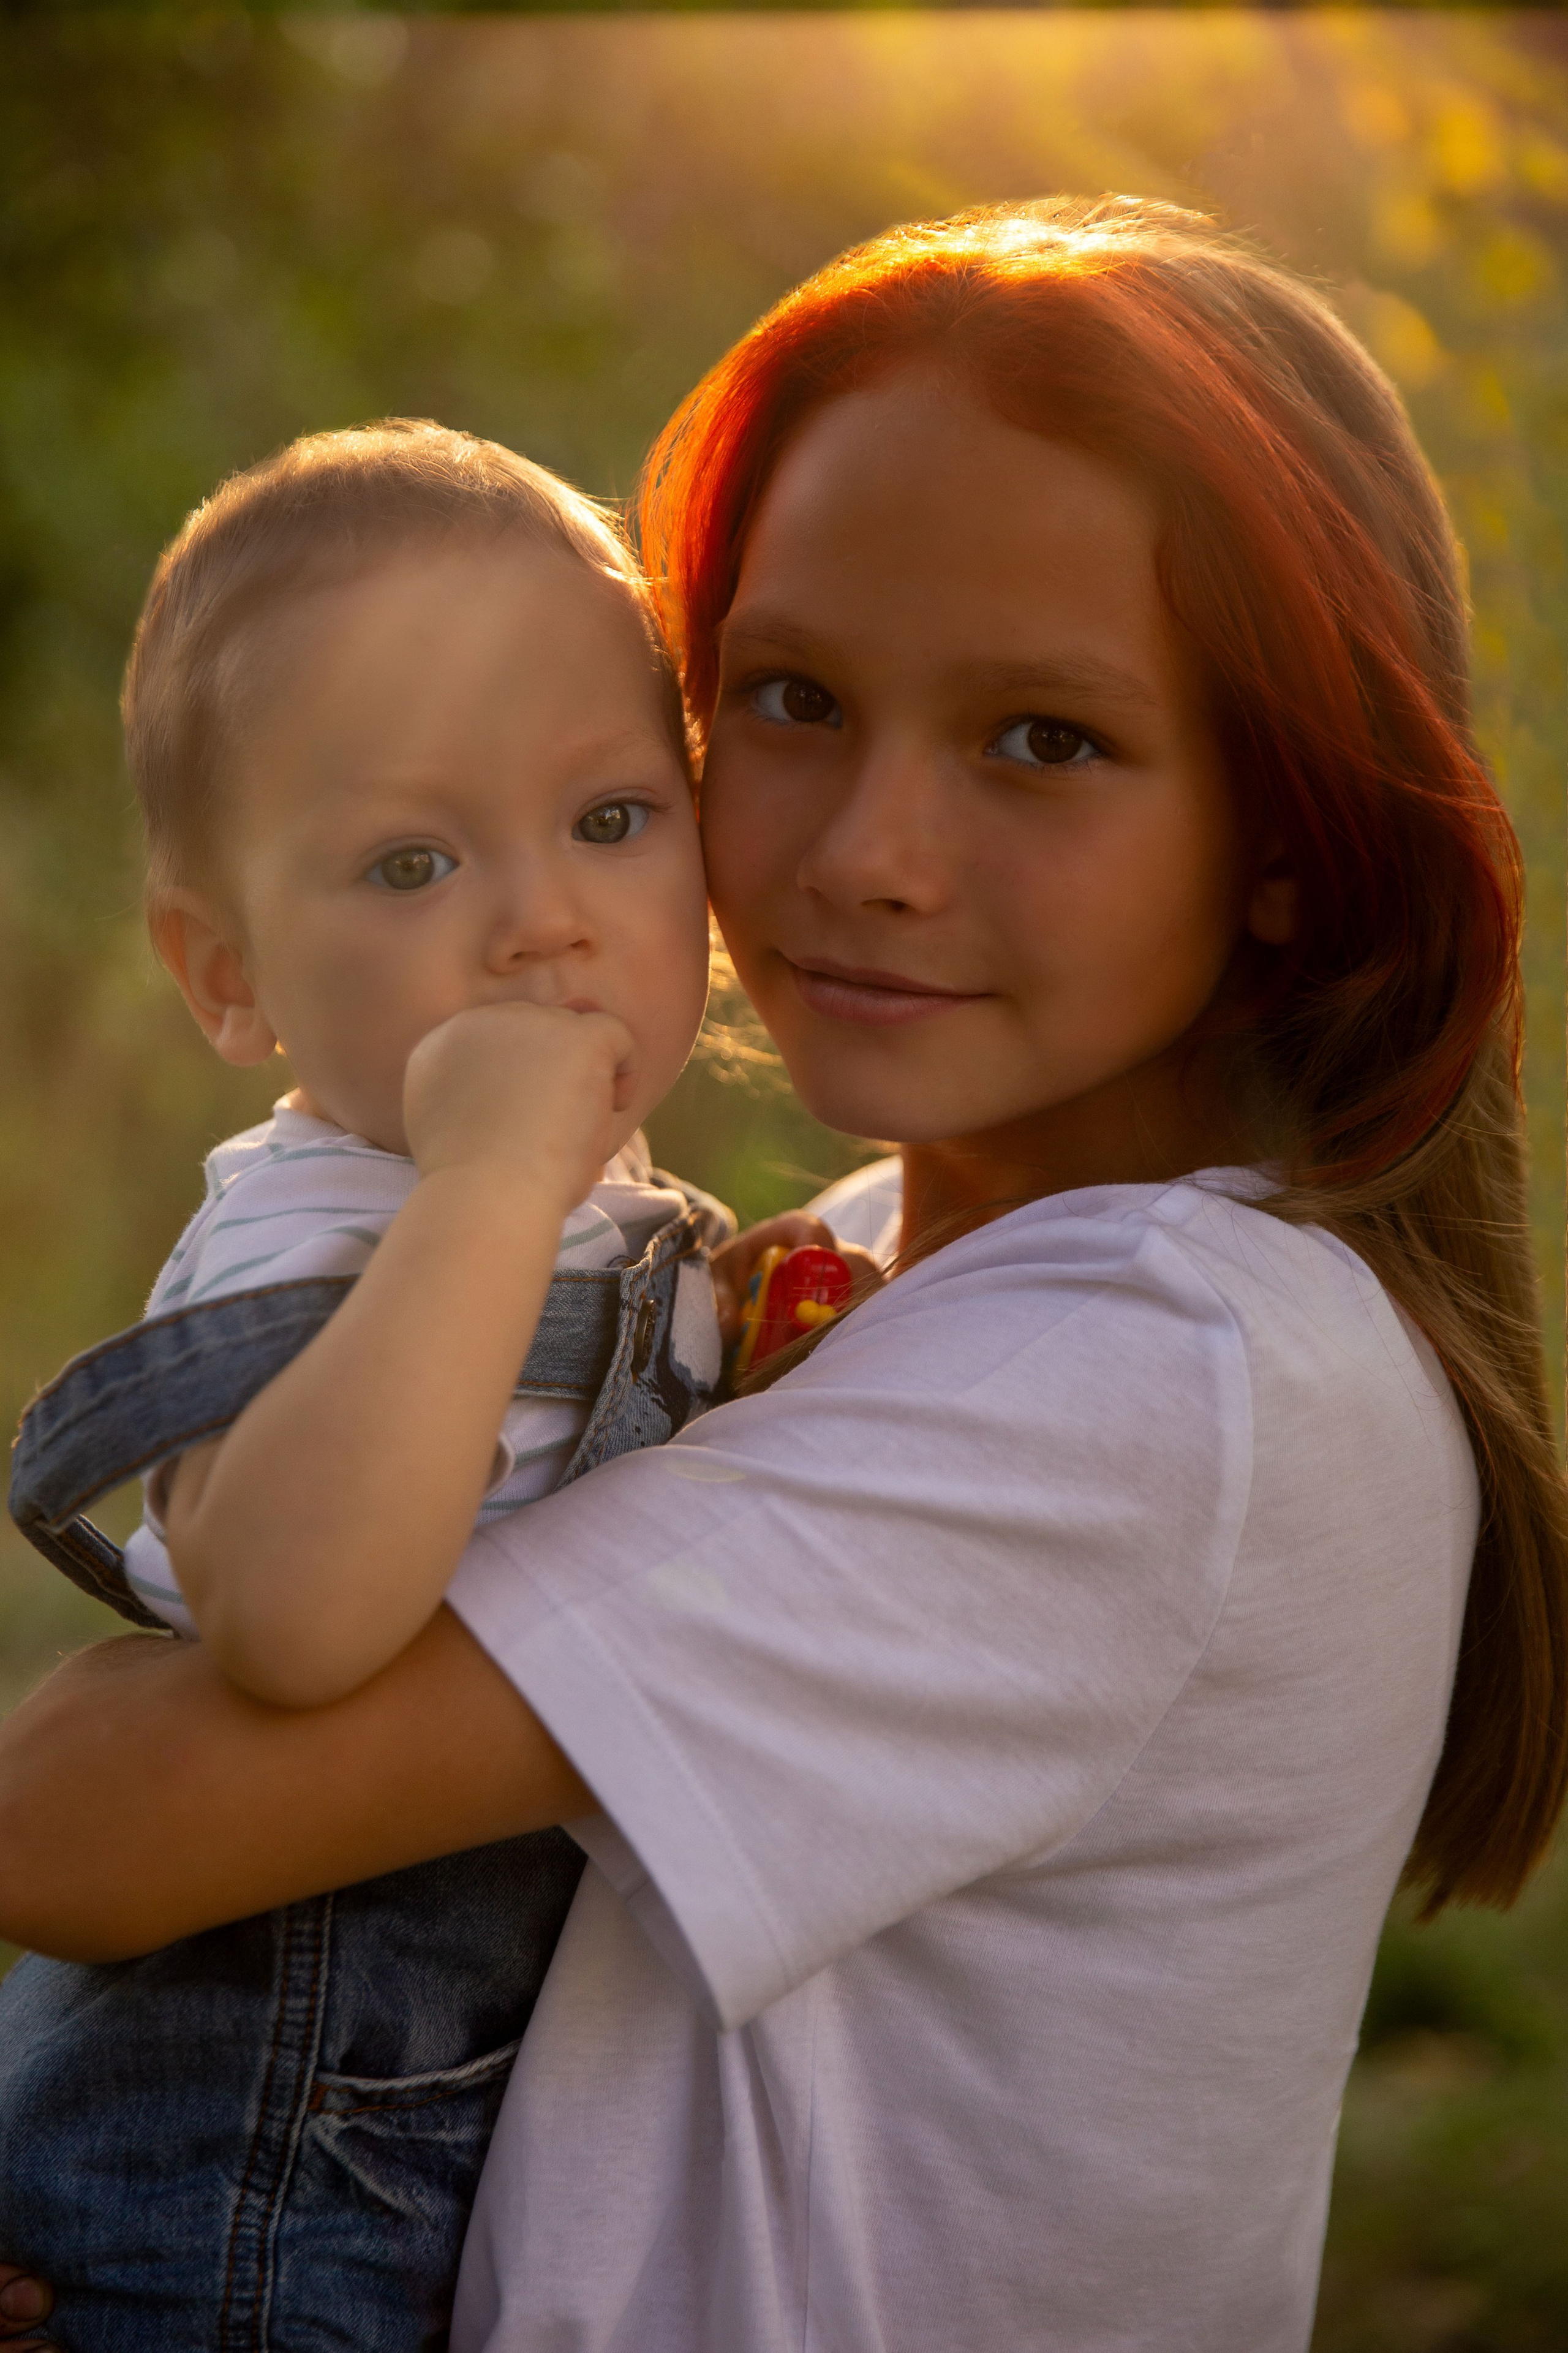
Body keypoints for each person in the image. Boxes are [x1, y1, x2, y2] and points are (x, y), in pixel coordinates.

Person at [2, 195, 1566, 2353]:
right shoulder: (844, 1266)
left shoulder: (1164, 1377)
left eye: (1045, 738)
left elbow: (85, 1820)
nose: (861, 853)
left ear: (1290, 835)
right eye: (796, 696)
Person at [0, 418, 784, 2349]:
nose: (539, 918)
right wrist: (495, 1187)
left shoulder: (595, 1213)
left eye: (612, 818)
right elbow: (288, 1614)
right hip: (241, 2200)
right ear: (226, 975)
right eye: (411, 860)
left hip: (434, 2155)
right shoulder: (328, 1225)